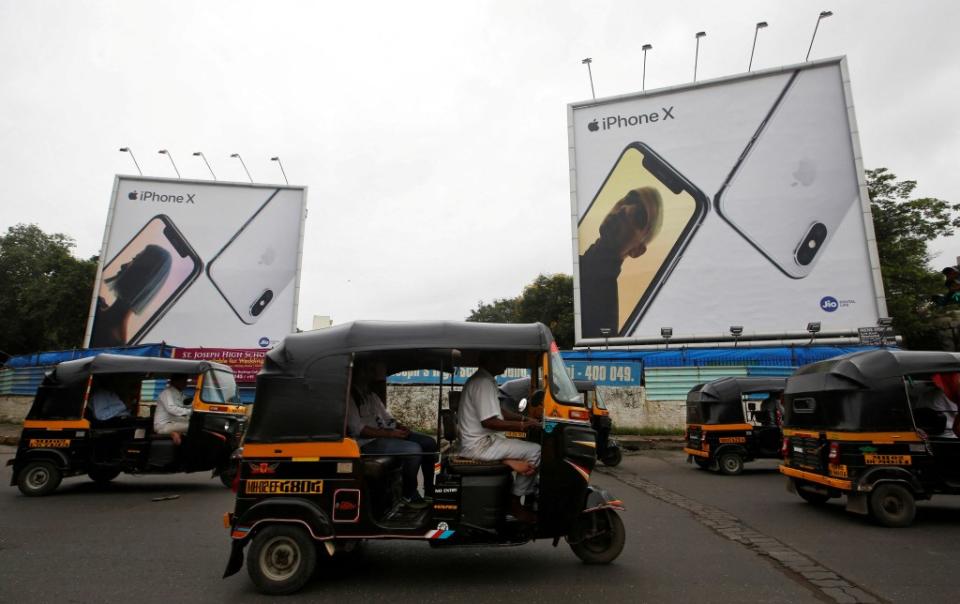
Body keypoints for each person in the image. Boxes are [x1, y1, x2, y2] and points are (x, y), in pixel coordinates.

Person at [458, 353, 541, 523]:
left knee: (523, 445)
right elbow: (489, 421)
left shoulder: (483, 379)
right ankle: (515, 503)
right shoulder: (483, 382)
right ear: (489, 359)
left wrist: (525, 419)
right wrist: (523, 426)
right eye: (501, 358)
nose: (506, 361)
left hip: (482, 441)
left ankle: (515, 482)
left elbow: (499, 412)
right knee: (536, 450)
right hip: (480, 445)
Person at [346, 363, 438, 509]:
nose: (372, 376)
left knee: (429, 442)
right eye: (368, 371)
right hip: (367, 443)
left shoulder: (371, 395)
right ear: (358, 374)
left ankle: (429, 490)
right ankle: (409, 493)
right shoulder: (350, 397)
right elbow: (358, 429)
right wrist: (390, 433)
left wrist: (400, 427)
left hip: (384, 435)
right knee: (413, 450)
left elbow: (386, 418)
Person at [579, 187, 664, 338]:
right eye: (630, 199)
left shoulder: (603, 314)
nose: (625, 209)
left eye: (639, 217)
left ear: (637, 251)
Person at [154, 374, 192, 445]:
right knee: (195, 426)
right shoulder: (167, 392)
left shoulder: (180, 394)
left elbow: (187, 405)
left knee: (194, 422)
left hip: (173, 422)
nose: (186, 384)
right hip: (163, 425)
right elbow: (172, 409)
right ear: (175, 382)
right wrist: (190, 412)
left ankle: (178, 434)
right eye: (183, 381)